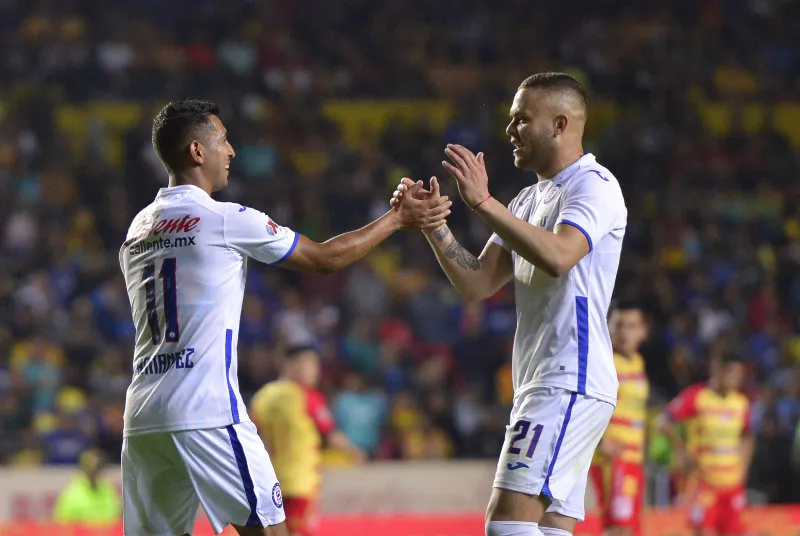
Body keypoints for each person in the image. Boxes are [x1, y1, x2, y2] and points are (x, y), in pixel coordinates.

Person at [119, 99, 449, 536]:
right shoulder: (223, 219)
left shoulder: (138, 229)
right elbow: (326, 258)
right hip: (207, 407)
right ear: (197, 152)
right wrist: (397, 218)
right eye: (222, 139)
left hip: (144, 417)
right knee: (273, 532)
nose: (232, 150)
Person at [392, 72, 627, 536]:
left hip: (569, 377)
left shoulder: (594, 185)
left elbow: (561, 255)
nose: (509, 130)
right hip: (547, 379)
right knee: (550, 528)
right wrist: (434, 226)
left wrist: (482, 202)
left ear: (560, 124)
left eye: (521, 119)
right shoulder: (526, 199)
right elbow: (478, 283)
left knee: (506, 524)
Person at [249, 346, 365, 536]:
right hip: (300, 483)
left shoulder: (263, 396)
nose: (315, 371)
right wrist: (355, 452)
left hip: (269, 481)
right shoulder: (306, 396)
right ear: (292, 365)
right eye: (311, 365)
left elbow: (249, 431)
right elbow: (331, 435)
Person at [657, 353, 753, 536]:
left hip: (732, 485)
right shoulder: (697, 396)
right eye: (732, 372)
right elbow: (663, 422)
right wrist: (682, 451)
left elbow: (747, 436)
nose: (736, 378)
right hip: (704, 483)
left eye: (739, 374)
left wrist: (743, 468)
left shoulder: (741, 403)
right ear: (718, 370)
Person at [589, 303, 650, 536]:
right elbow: (585, 402)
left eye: (632, 326)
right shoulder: (602, 361)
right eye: (619, 325)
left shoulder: (637, 362)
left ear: (644, 331)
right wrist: (601, 440)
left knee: (630, 526)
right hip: (613, 459)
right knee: (618, 527)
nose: (625, 332)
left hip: (633, 458)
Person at [53, 449, 122, 527]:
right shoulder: (70, 494)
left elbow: (116, 518)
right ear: (83, 468)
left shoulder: (108, 490)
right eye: (91, 467)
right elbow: (62, 525)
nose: (95, 471)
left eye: (98, 468)